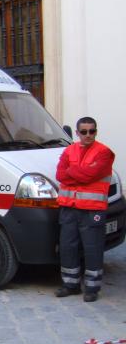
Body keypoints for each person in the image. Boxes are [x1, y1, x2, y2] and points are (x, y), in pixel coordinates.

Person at [56, 116, 115, 302]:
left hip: (92, 209)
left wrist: (72, 173)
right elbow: (60, 174)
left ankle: (92, 288)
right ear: (77, 133)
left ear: (96, 131)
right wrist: (80, 174)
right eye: (84, 131)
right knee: (67, 247)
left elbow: (90, 175)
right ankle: (70, 284)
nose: (88, 135)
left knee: (93, 248)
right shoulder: (69, 150)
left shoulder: (104, 153)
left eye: (92, 131)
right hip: (69, 208)